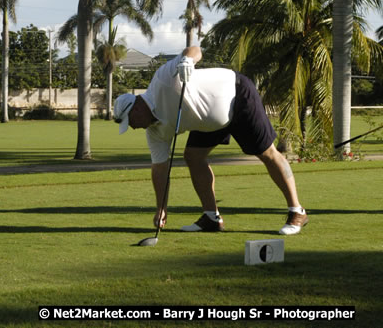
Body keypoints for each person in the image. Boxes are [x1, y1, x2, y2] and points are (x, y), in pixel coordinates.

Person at [113, 45, 308, 235]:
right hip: (208, 122)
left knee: (267, 153)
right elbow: (160, 169)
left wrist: (188, 60)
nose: (133, 127)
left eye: (130, 122)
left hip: (237, 96)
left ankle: (297, 212)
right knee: (193, 156)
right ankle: (211, 217)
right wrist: (161, 208)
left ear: (136, 109)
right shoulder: (154, 133)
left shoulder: (162, 80)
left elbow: (194, 49)